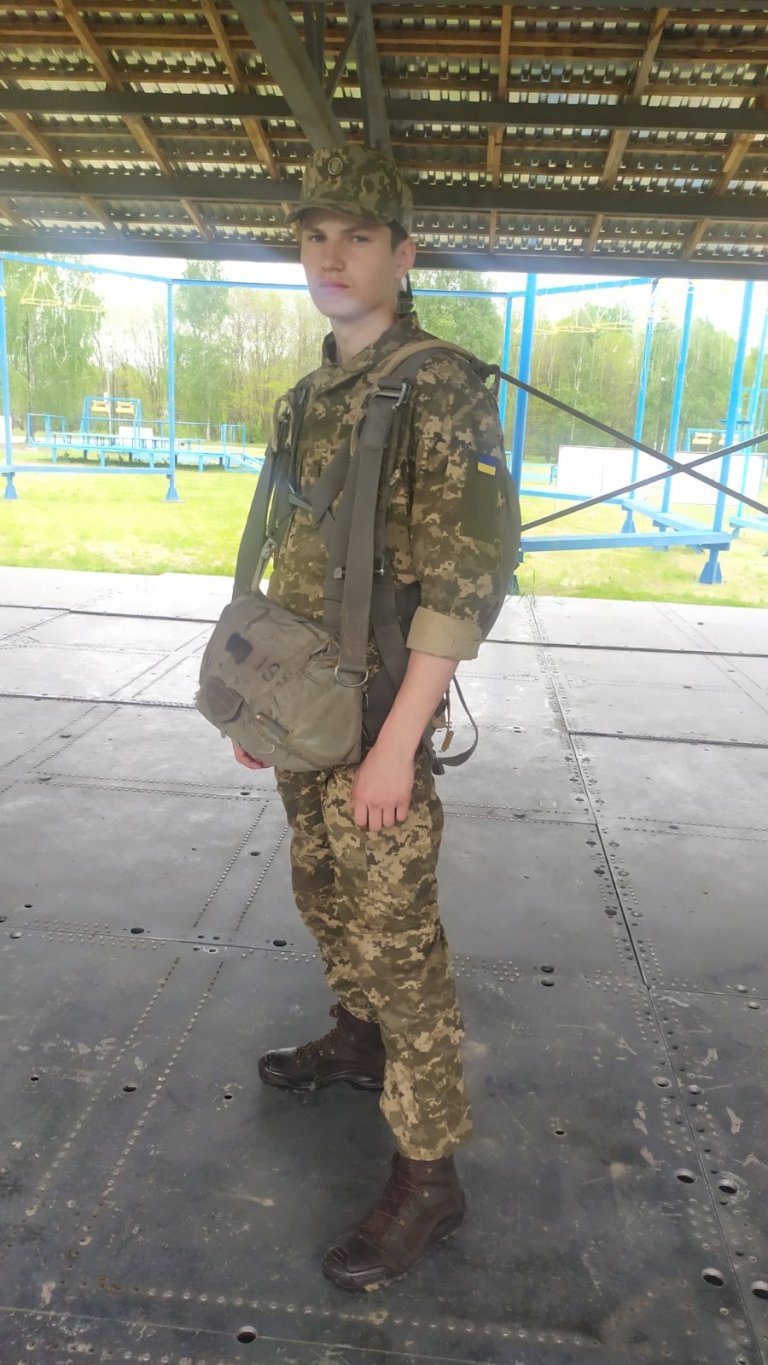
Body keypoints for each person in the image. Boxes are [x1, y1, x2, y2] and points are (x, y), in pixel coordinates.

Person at [230, 143, 516, 1293]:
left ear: (404, 254)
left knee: (403, 946)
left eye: (358, 237)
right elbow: (289, 565)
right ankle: (356, 1040)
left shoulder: (441, 387)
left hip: (380, 721)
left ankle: (429, 1175)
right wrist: (258, 702)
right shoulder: (310, 396)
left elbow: (464, 582)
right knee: (323, 891)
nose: (332, 257)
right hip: (306, 711)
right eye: (316, 236)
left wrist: (397, 747)